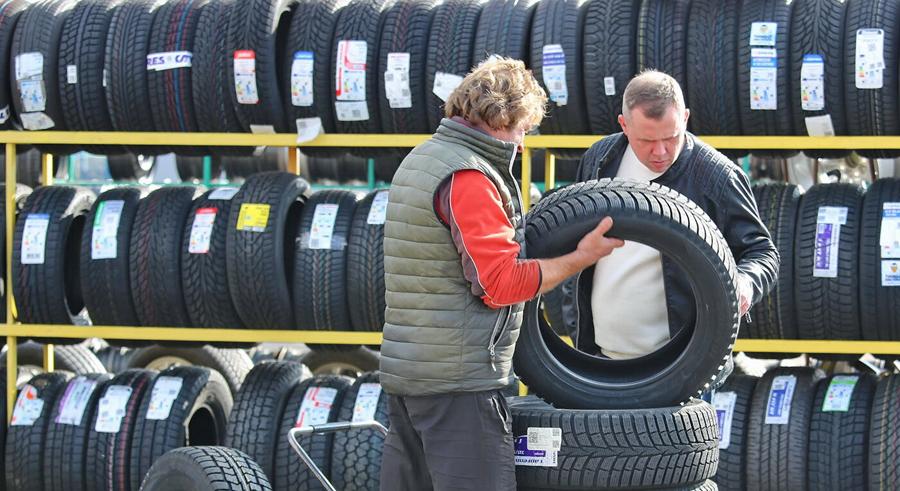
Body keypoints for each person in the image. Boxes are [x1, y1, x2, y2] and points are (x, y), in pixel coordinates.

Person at [378, 57, 624, 491]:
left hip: (413, 376)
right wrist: (580, 258)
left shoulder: (424, 158)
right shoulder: (468, 176)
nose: (523, 144)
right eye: (523, 129)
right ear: (502, 117)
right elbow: (500, 283)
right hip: (458, 386)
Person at [574, 70, 779, 368]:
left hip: (684, 366)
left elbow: (762, 252)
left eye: (671, 137)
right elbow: (571, 235)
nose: (660, 152)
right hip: (600, 359)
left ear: (685, 118)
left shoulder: (717, 176)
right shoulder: (599, 160)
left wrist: (745, 282)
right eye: (647, 140)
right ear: (624, 125)